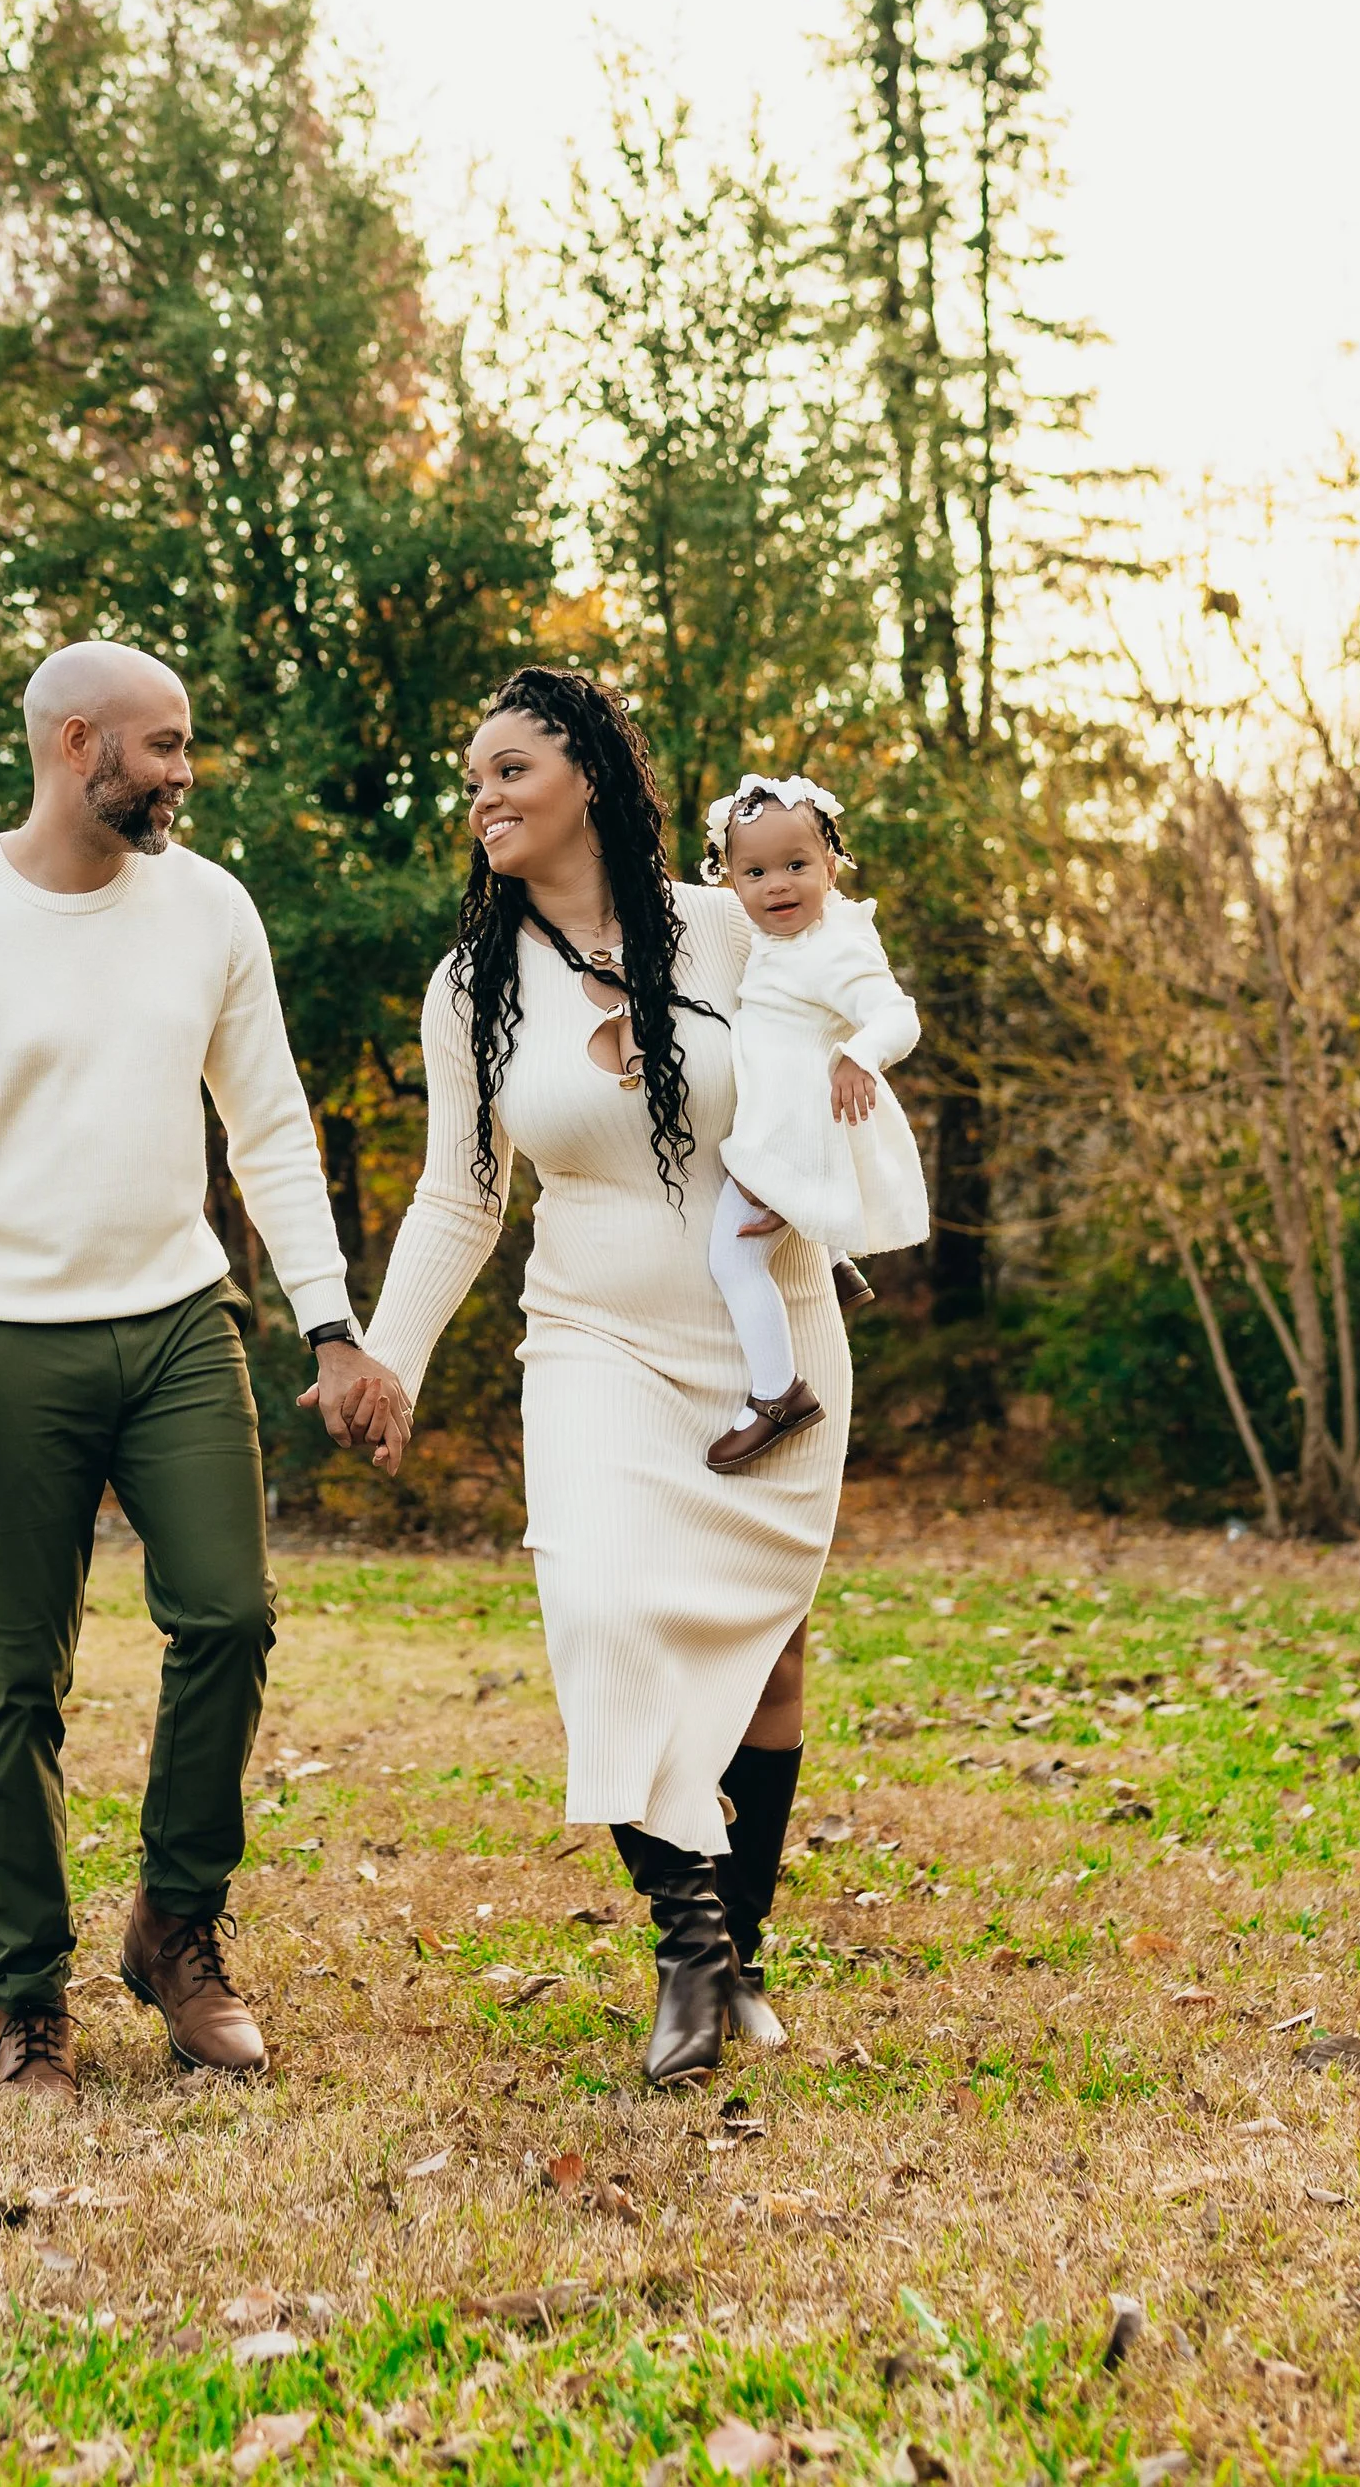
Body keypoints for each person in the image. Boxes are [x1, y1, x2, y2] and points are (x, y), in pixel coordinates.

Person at [0, 640, 411, 2106]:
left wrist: (332, 1325)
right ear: (75, 742)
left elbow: (270, 1124)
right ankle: (28, 1998)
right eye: (159, 746)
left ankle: (176, 1926)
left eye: (186, 744)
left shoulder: (208, 909)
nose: (182, 770)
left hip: (174, 1321)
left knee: (229, 1612)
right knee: (16, 1678)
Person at [353, 668, 866, 2083]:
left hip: (765, 1324)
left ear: (586, 771)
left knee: (766, 1652)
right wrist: (390, 1358)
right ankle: (690, 1950)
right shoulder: (470, 988)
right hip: (590, 1333)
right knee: (599, 1601)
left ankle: (744, 1949)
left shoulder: (725, 925)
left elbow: (844, 1014)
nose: (484, 800)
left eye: (510, 768)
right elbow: (462, 1198)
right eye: (473, 781)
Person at [698, 773, 928, 1473]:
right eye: (756, 872)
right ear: (731, 883)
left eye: (797, 865)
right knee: (750, 1238)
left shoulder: (834, 945)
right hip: (783, 1120)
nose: (778, 885)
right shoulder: (779, 937)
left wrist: (861, 1053)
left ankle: (778, 1393)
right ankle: (834, 1265)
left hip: (794, 1132)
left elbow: (897, 1013)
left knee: (731, 1257)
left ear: (831, 866)